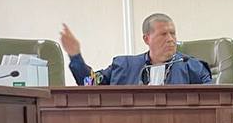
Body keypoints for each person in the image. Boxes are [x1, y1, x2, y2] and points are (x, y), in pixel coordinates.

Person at [59, 13, 212, 86]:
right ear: (146, 39)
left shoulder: (193, 67)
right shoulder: (123, 67)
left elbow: (213, 99)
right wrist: (76, 56)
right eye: (163, 34)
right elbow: (90, 83)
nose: (170, 39)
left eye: (173, 33)